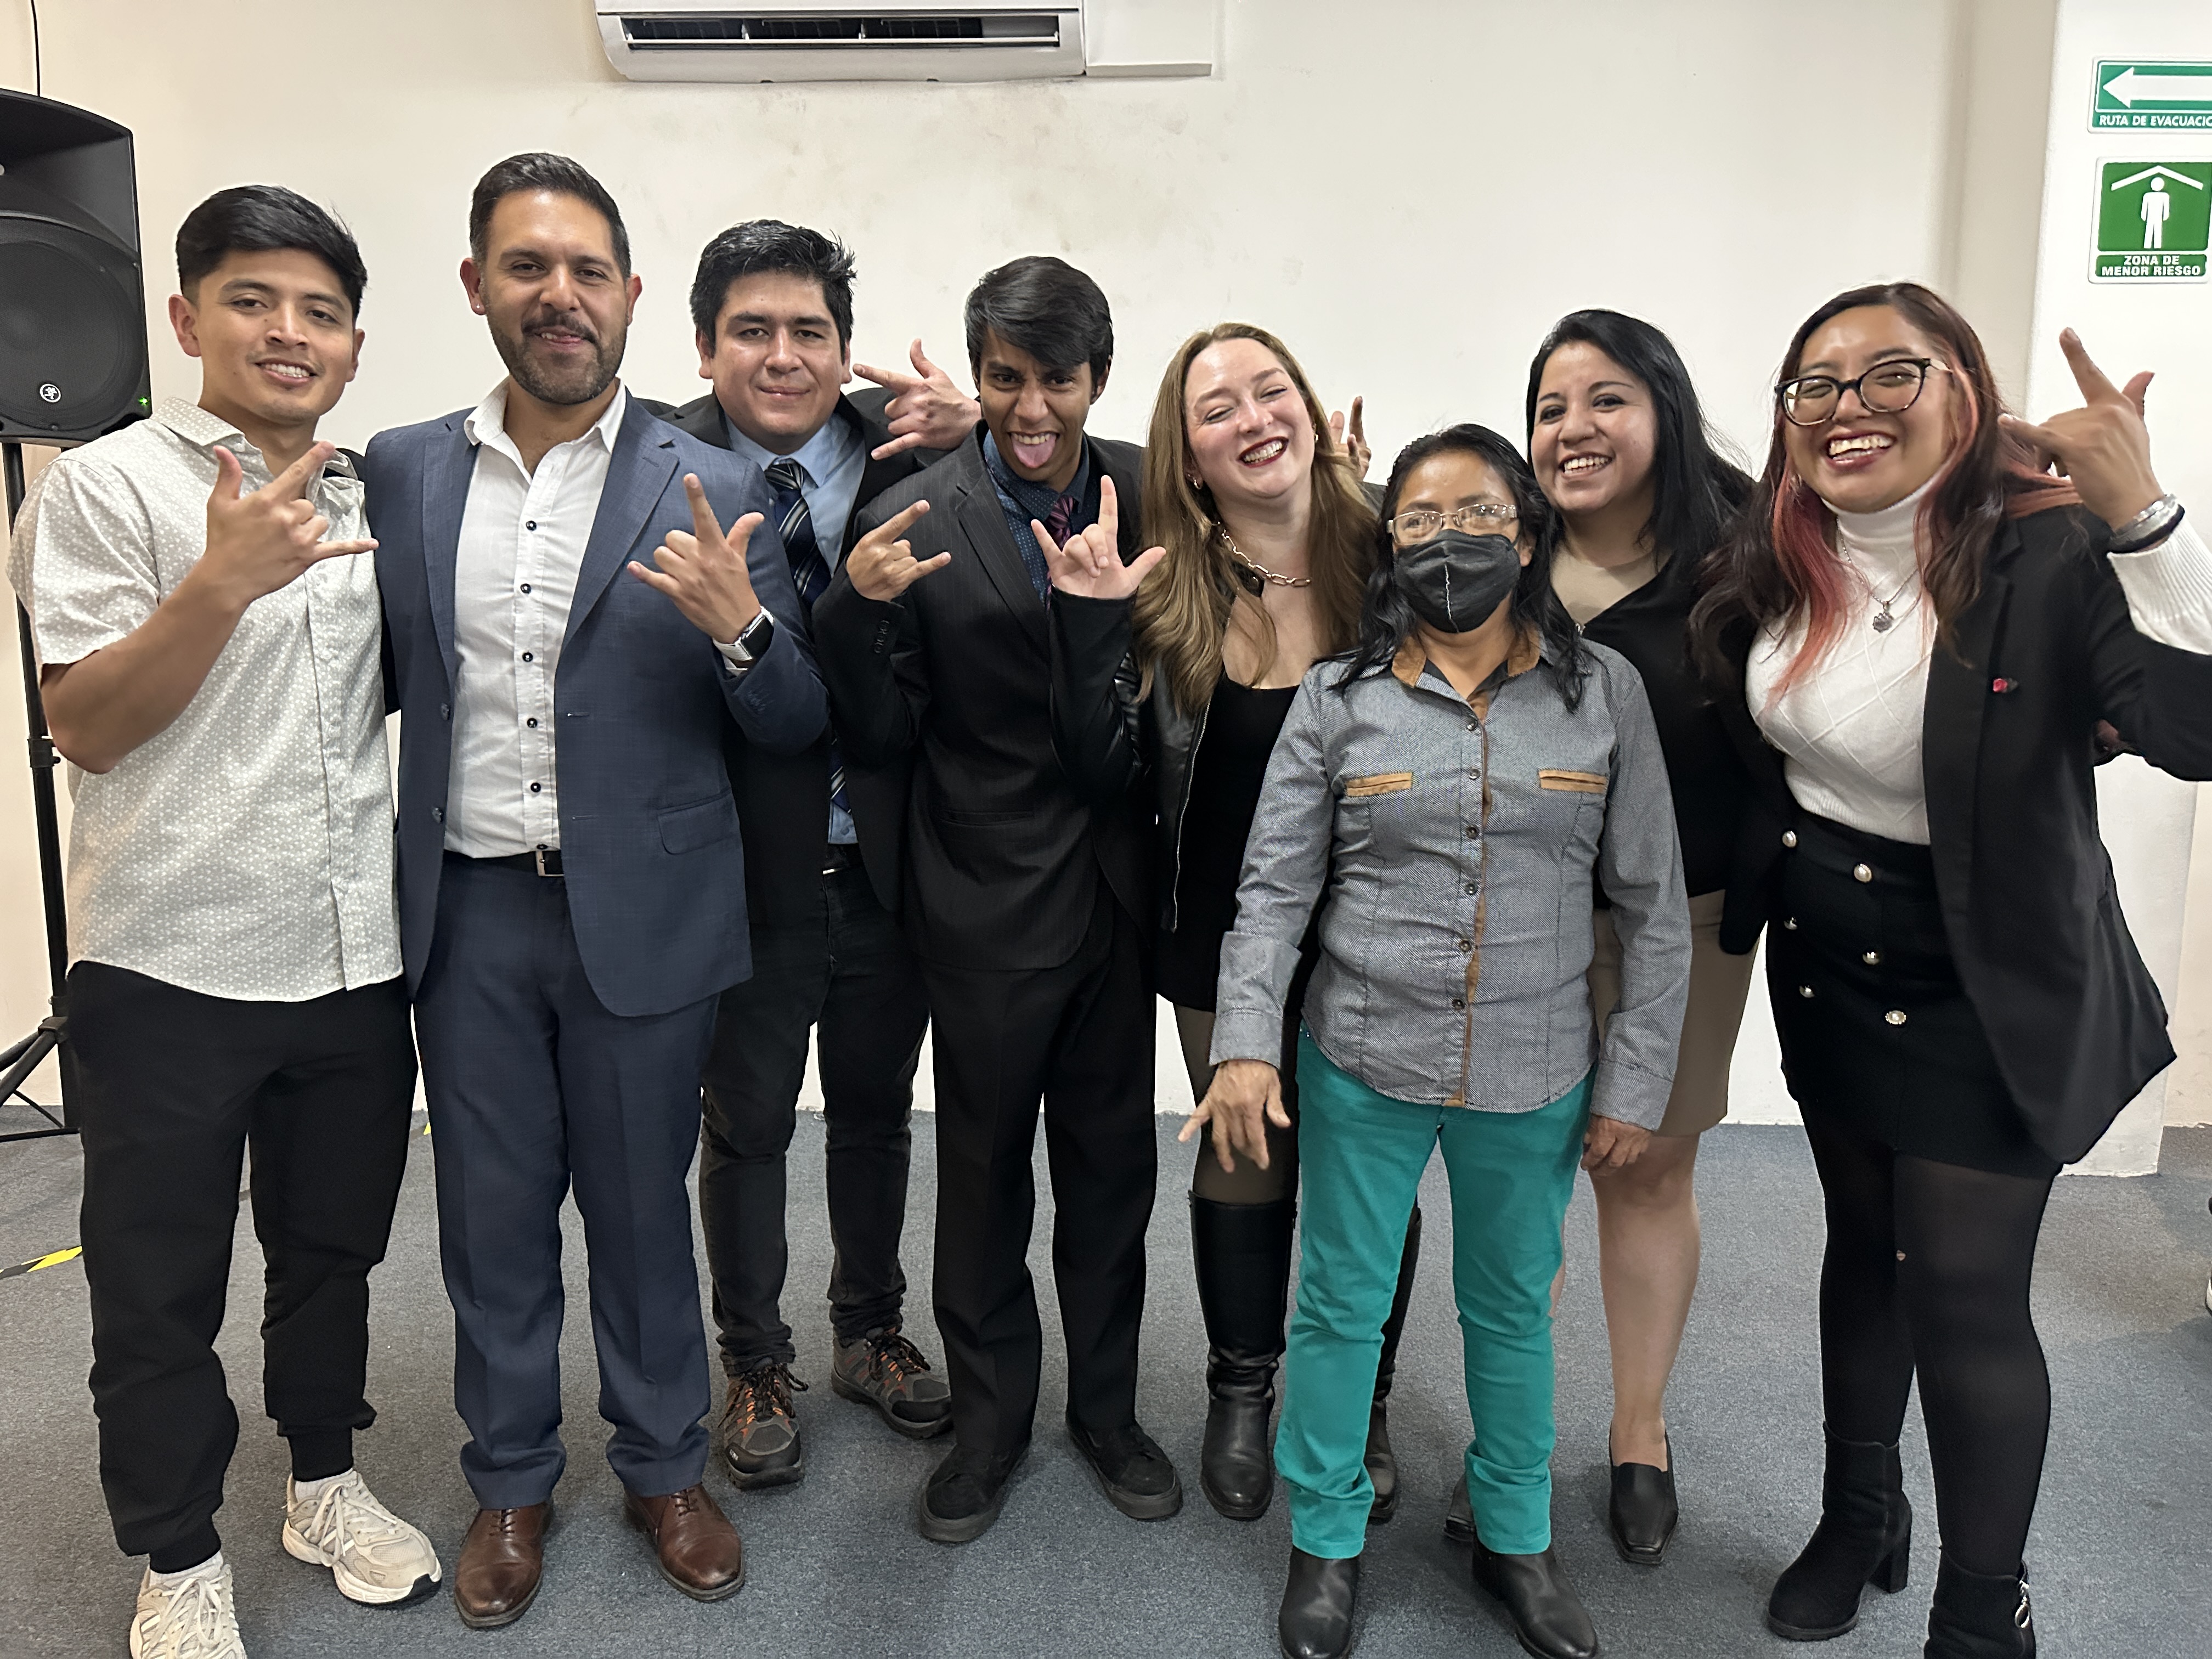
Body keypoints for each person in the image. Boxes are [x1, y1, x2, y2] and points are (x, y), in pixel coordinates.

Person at [1689, 281, 2212, 1657]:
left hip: (1992, 977)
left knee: (1965, 1293)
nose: (1849, 406)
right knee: (1863, 1251)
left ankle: (1987, 1610)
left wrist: (2146, 515)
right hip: (1828, 958)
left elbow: (2196, 734)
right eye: (1817, 384)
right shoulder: (1778, 547)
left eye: (1890, 374)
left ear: (1965, 391)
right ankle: (1861, 1514)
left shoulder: (2053, 550)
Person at [364, 154, 824, 1627]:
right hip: (469, 912)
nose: (557, 295)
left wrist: (747, 632)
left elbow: (796, 725)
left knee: (638, 1213)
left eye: (584, 271)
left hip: (646, 916)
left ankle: (664, 1467)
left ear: (628, 295)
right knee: (491, 1220)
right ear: (478, 288)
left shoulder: (722, 484)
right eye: (525, 267)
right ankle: (509, 1481)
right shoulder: (403, 470)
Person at [8, 186, 438, 1659]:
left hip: (351, 958)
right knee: (156, 1288)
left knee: (331, 1255)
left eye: (322, 310)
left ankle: (323, 1483)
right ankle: (178, 1554)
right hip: (166, 961)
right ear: (188, 321)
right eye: (253, 300)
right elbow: (85, 726)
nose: (288, 332)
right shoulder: (105, 487)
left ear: (356, 342)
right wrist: (218, 584)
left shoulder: (374, 496)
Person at [1195, 425, 1691, 1659]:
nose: (1450, 542)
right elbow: (1272, 892)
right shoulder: (1337, 700)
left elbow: (1653, 906)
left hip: (1535, 1067)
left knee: (1511, 1312)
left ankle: (1515, 1537)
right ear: (1389, 546)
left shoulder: (1602, 695)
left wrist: (1636, 1082)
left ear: (1526, 540)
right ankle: (1327, 1536)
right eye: (1419, 519)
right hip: (1363, 1057)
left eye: (1479, 517)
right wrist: (1244, 1046)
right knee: (1340, 1304)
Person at [814, 255, 1176, 1543]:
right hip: (980, 901)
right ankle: (989, 1426)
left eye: (1057, 380)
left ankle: (1109, 1413)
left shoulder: (1152, 492)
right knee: (982, 1185)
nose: (1032, 408)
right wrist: (848, 614)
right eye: (1007, 379)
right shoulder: (912, 514)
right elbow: (877, 731)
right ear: (979, 376)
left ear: (1098, 379)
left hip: (1114, 904)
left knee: (1112, 1175)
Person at [1041, 320, 1420, 1525]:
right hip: (1217, 924)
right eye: (1219, 410)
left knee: (1370, 1169)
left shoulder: (1394, 557)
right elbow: (1103, 770)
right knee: (1247, 1148)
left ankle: (1357, 1399)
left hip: (1384, 928)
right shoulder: (1162, 590)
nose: (1254, 419)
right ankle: (1242, 1388)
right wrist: (1088, 626)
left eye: (1272, 391)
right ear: (1189, 456)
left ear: (1308, 406)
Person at [645, 220, 980, 1489]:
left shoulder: (914, 450)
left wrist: (980, 428)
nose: (783, 356)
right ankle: (755, 1362)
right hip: (742, 866)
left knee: (879, 1112)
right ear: (704, 345)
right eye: (753, 330)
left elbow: (1056, 482)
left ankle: (869, 1332)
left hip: (890, 854)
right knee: (745, 1127)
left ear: (845, 350)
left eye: (810, 332)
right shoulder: (653, 465)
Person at [1439, 310, 1757, 1562]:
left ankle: (1640, 1430)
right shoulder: (1499, 562)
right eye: (1550, 408)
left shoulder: (1745, 560)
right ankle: (1508, 1437)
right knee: (1519, 1184)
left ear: (1664, 411)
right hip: (1520, 920)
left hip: (1688, 920)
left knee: (1650, 1170)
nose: (1573, 429)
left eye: (1606, 400)